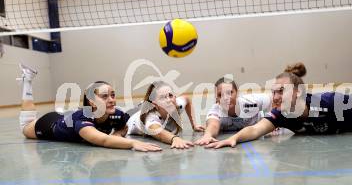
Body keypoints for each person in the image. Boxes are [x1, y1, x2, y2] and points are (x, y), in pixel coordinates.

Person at [206, 47, 352, 149]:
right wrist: (234, 138)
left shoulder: (328, 101)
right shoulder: (280, 116)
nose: (274, 97)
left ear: (297, 93)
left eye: (280, 91)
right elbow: (255, 130)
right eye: (273, 91)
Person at [17, 64, 161, 152]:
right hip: (48, 125)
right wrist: (133, 143)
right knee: (25, 126)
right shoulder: (83, 119)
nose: (111, 100)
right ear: (92, 102)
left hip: (65, 117)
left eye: (112, 95)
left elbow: (124, 125)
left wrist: (118, 134)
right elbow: (103, 141)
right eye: (104, 97)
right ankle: (27, 80)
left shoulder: (116, 114)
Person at [194, 76, 272, 145]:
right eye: (220, 95)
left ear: (237, 93)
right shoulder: (216, 111)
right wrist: (207, 136)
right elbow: (213, 125)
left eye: (229, 92)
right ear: (216, 98)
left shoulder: (250, 101)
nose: (225, 98)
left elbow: (272, 99)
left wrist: (271, 119)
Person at [127, 81, 205, 149]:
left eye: (170, 95)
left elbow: (187, 99)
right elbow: (159, 133)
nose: (169, 100)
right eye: (162, 97)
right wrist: (175, 139)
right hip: (130, 117)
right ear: (155, 104)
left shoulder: (177, 105)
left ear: (175, 97)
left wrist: (194, 125)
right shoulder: (151, 118)